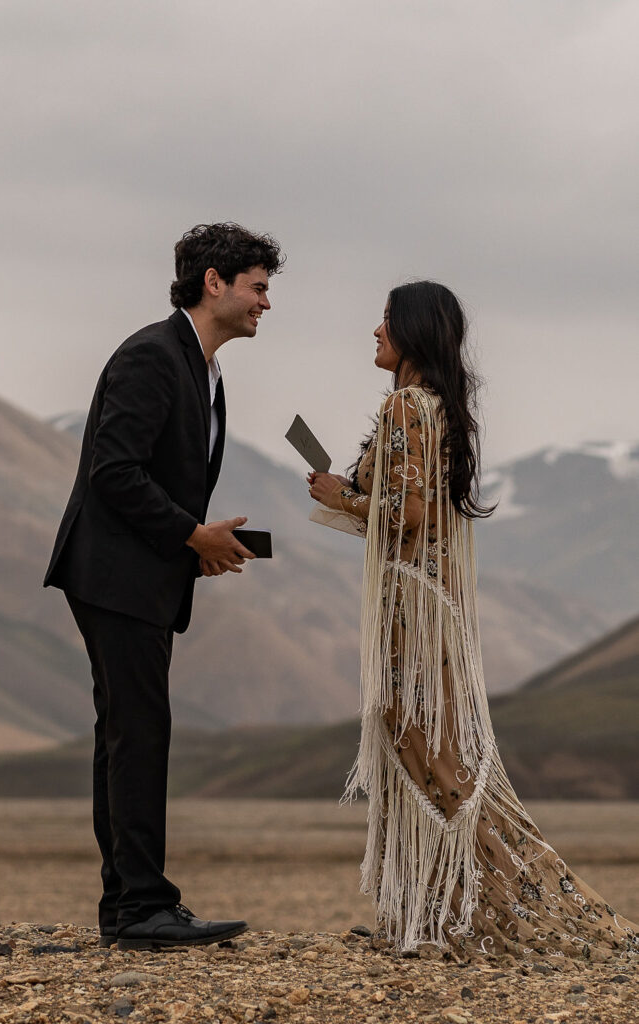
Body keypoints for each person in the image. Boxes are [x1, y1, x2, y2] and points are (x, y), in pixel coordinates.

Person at [308, 281, 637, 960]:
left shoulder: (405, 405)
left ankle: (459, 915)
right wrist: (356, 497)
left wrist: (340, 494)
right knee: (438, 754)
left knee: (424, 753)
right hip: (433, 602)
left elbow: (407, 515)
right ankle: (446, 913)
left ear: (413, 331)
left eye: (386, 320)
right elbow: (420, 512)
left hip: (410, 609)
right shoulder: (439, 408)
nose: (375, 331)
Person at [44, 222, 284, 950]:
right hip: (113, 575)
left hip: (139, 574)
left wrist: (197, 545)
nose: (265, 303)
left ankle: (127, 904)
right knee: (139, 731)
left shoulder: (204, 371)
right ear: (214, 282)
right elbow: (113, 472)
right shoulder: (153, 355)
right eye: (257, 288)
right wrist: (191, 535)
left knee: (126, 733)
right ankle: (144, 906)